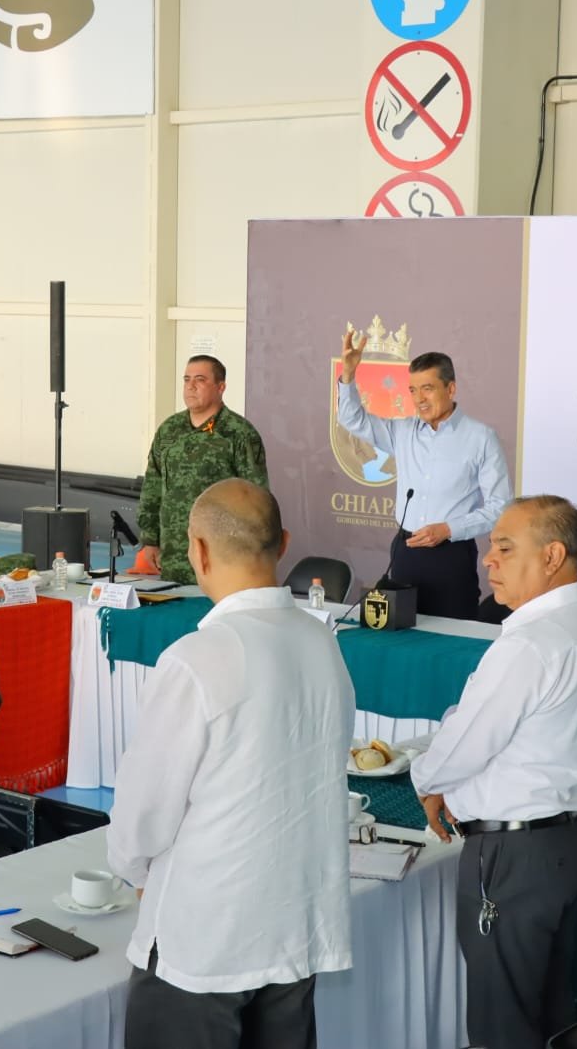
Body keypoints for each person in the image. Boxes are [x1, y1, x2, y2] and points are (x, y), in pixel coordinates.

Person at [108, 478, 353, 1049]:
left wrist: (137, 872)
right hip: (293, 934)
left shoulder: (197, 659)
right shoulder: (323, 644)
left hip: (203, 945)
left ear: (198, 550)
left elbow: (142, 815)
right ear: (284, 543)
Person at [411, 496, 577, 1048]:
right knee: (548, 1015)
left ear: (551, 556)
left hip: (514, 858)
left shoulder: (530, 643)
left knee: (504, 1026)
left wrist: (427, 780)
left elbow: (466, 745)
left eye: (503, 547)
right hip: (566, 841)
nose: (487, 561)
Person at [336, 334, 512, 619]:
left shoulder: (481, 438)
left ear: (451, 388)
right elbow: (352, 419)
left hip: (451, 555)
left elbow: (500, 508)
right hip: (406, 553)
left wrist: (448, 529)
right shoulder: (402, 432)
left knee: (453, 639)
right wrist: (349, 372)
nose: (419, 399)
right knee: (402, 635)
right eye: (413, 390)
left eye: (427, 389)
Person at [136, 356, 269, 584]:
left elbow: (255, 498)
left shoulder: (238, 433)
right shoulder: (170, 429)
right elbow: (153, 485)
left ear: (220, 387)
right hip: (173, 556)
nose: (190, 386)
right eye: (187, 379)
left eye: (200, 380)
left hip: (221, 557)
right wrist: (150, 540)